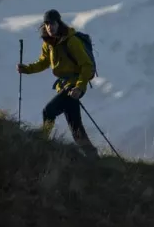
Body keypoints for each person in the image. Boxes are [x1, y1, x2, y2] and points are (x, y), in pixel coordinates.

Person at [18, 9, 97, 157]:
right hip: (66, 87)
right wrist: (26, 69)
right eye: (47, 24)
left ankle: (42, 143)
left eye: (52, 23)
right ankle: (91, 155)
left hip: (74, 86)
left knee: (48, 111)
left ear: (59, 23)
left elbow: (87, 65)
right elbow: (43, 62)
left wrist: (79, 87)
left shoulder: (71, 41)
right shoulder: (49, 43)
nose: (49, 27)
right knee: (75, 125)